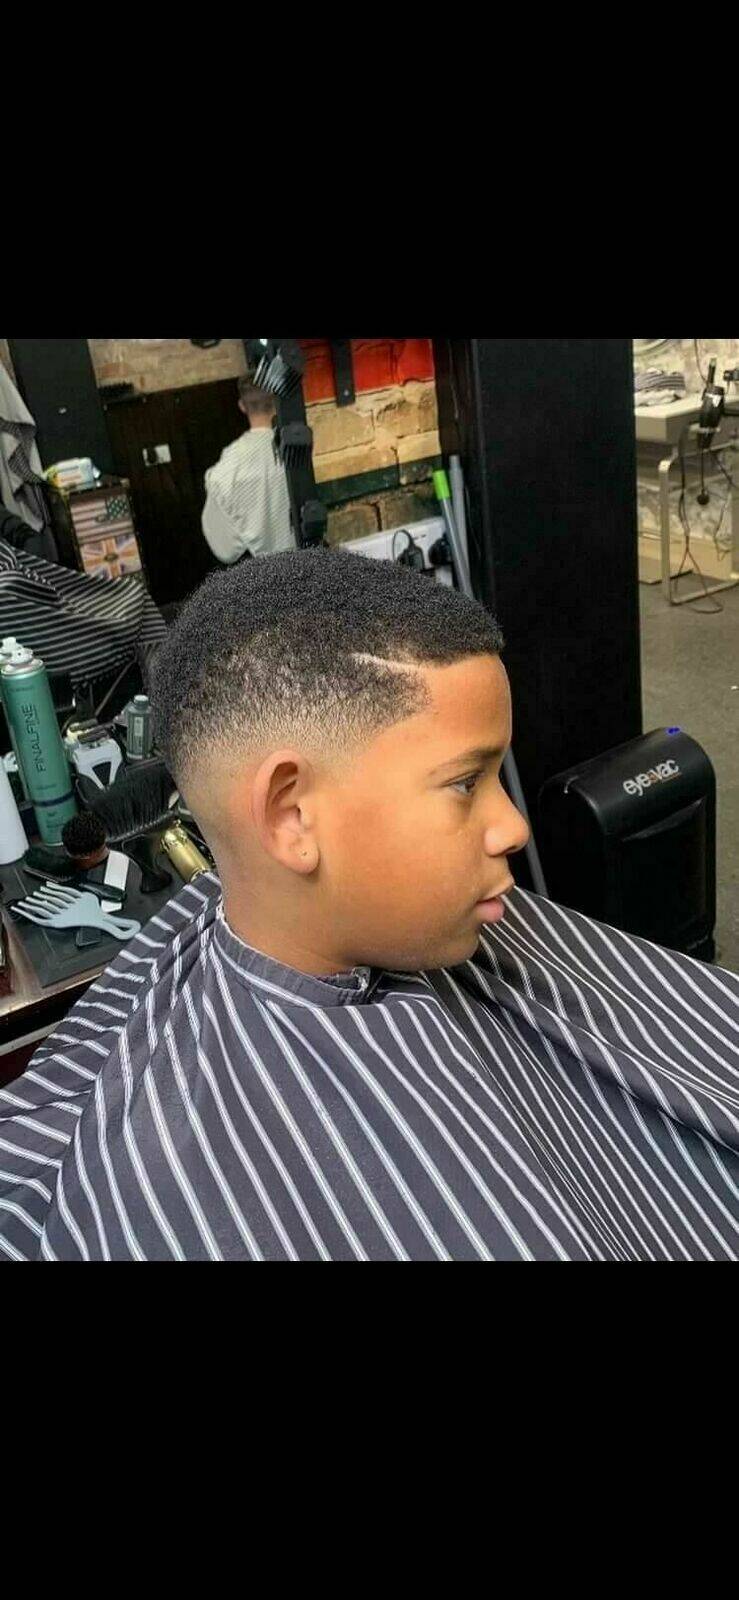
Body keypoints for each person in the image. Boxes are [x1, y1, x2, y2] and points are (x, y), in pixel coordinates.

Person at [2, 547, 739, 1262]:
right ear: (292, 816)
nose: (514, 827)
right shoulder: (162, 1179)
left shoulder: (456, 923)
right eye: (465, 783)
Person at [201, 380, 294, 564]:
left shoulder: (226, 469)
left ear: (242, 406)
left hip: (266, 571)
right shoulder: (296, 448)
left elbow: (225, 551)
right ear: (276, 402)